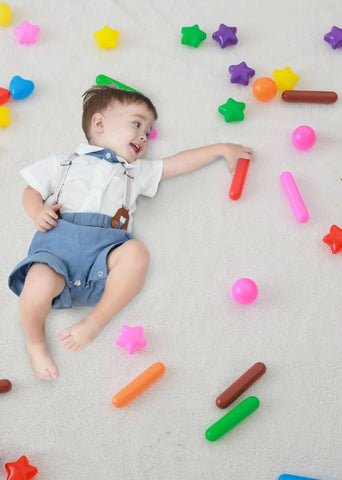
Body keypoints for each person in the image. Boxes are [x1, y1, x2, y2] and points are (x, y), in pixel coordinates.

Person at [8, 85, 253, 380]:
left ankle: (95, 322)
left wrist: (219, 148)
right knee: (36, 290)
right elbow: (30, 191)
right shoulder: (64, 162)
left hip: (105, 254)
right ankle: (35, 344)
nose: (143, 136)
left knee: (137, 252)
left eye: (148, 132)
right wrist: (37, 211)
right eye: (137, 124)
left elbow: (177, 163)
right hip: (57, 249)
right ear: (99, 123)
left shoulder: (135, 172)